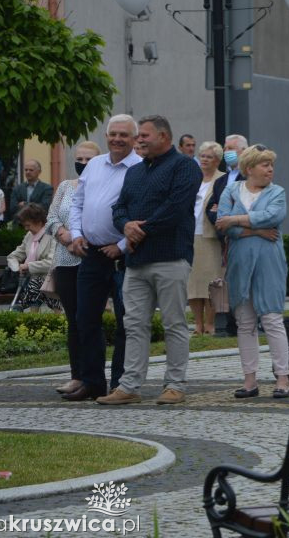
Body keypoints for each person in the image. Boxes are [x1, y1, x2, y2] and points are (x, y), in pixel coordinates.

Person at [97, 115, 201, 406]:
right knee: (134, 324)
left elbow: (176, 208)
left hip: (171, 257)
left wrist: (139, 230)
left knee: (174, 323)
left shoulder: (184, 167)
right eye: (138, 136)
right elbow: (119, 208)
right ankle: (129, 385)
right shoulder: (136, 172)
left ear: (164, 137)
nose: (139, 140)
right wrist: (125, 225)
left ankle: (175, 385)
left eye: (144, 135)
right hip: (136, 261)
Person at [65, 116, 141, 402]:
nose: (117, 139)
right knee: (85, 319)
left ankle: (121, 384)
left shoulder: (139, 167)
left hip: (124, 256)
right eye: (113, 134)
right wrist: (76, 233)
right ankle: (92, 381)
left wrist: (121, 245)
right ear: (106, 136)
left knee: (126, 322)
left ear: (134, 139)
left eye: (124, 134)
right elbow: (78, 202)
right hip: (92, 253)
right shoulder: (94, 164)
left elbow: (142, 213)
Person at [215, 145, 289, 399]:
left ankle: (282, 379)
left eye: (271, 164)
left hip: (269, 262)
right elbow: (222, 225)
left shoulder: (277, 192)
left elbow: (274, 216)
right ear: (249, 169)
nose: (270, 169)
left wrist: (237, 220)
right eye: (264, 164)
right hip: (239, 263)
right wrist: (256, 230)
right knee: (245, 323)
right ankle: (250, 380)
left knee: (271, 319)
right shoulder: (231, 190)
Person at [46, 140, 100, 396]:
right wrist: (64, 235)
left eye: (89, 159)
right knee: (73, 320)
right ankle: (76, 375)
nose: (83, 163)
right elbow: (52, 217)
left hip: (90, 258)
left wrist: (82, 239)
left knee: (89, 319)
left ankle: (93, 376)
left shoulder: (102, 187)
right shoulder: (66, 187)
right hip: (65, 260)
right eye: (79, 159)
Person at [206, 135, 248, 337]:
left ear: (243, 151)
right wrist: (220, 216)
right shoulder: (221, 180)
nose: (226, 151)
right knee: (227, 279)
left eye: (231, 148)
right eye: (225, 147)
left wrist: (227, 214)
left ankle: (247, 320)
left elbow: (245, 207)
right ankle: (229, 322)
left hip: (244, 236)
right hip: (225, 237)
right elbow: (211, 206)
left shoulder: (249, 176)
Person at [188, 141, 225, 335]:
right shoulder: (192, 178)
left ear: (217, 160)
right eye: (202, 155)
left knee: (212, 280)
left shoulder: (223, 179)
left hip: (211, 236)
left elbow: (226, 203)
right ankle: (198, 324)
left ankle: (210, 323)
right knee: (193, 281)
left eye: (209, 156)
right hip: (190, 234)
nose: (204, 159)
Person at [5, 204, 59, 312]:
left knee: (36, 286)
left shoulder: (53, 234)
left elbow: (51, 262)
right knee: (34, 286)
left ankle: (21, 307)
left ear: (39, 222)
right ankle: (32, 320)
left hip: (51, 279)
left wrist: (28, 266)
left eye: (28, 225)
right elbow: (13, 256)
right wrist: (17, 268)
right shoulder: (29, 235)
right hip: (33, 280)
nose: (26, 229)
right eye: (24, 225)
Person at [8, 160, 53, 225]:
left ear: (39, 172)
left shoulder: (47, 188)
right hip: (19, 225)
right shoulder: (17, 188)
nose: (28, 172)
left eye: (31, 170)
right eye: (26, 170)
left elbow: (44, 207)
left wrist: (25, 204)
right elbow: (13, 208)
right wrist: (35, 206)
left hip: (38, 225)